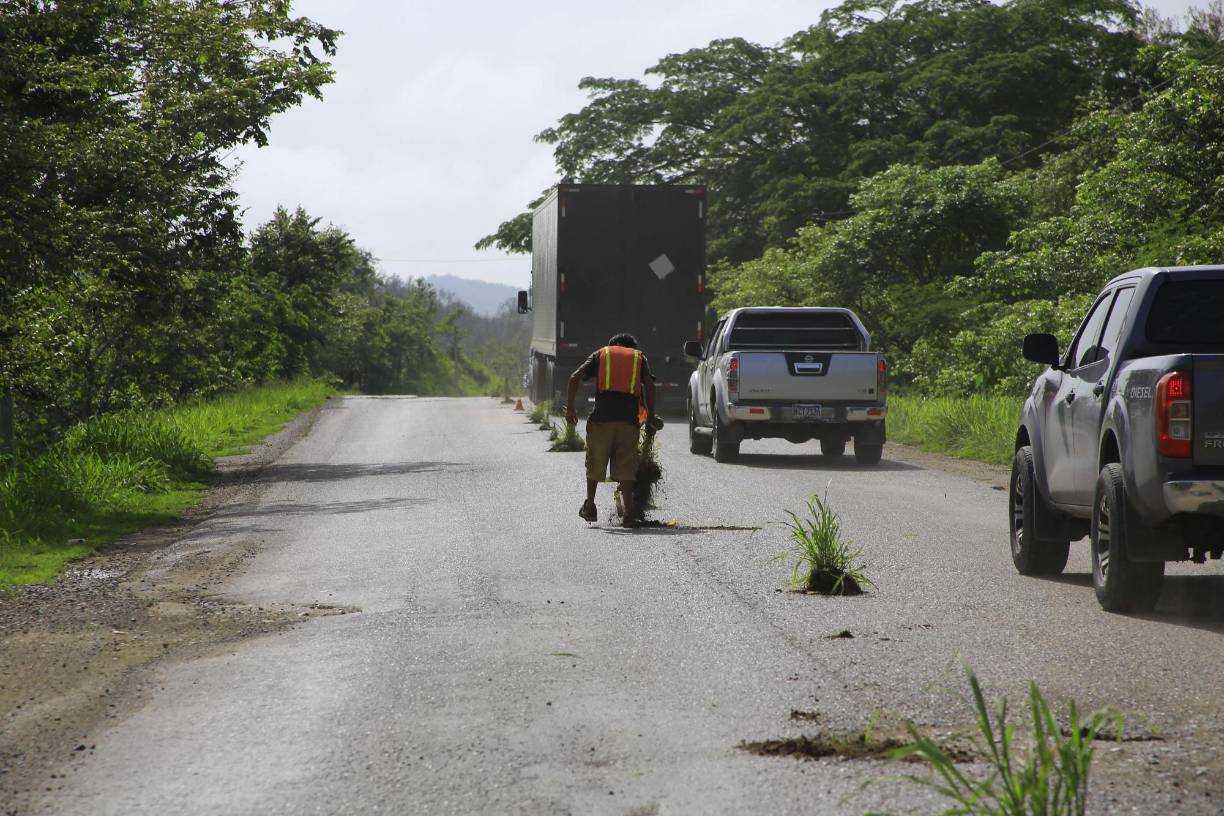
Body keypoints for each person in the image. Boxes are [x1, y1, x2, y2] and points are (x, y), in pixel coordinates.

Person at [566, 333, 657, 528]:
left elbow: (574, 377)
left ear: (613, 345)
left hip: (601, 421)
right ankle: (629, 514)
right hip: (628, 422)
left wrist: (570, 408)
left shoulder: (601, 354)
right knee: (626, 468)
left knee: (595, 463)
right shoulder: (638, 357)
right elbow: (650, 385)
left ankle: (590, 506)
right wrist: (651, 415)